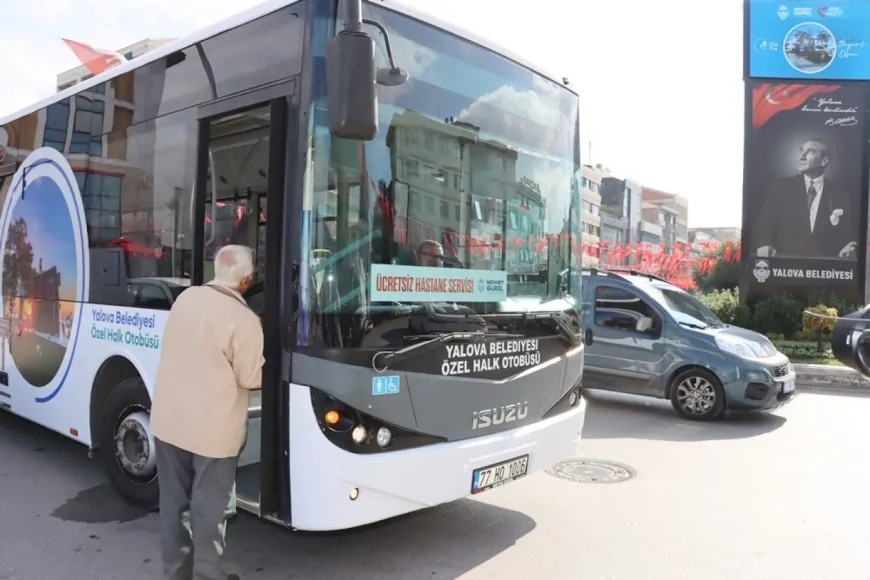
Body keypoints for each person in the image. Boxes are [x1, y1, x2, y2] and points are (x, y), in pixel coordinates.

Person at [151, 244, 265, 580]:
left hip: (170, 423)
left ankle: (176, 573)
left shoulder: (185, 299)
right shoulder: (245, 320)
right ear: (246, 279)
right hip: (212, 436)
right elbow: (251, 377)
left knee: (173, 506)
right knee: (209, 512)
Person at [754, 138, 857, 259]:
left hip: (825, 270)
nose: (802, 156)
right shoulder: (783, 187)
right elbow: (763, 224)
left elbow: (848, 234)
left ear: (824, 161)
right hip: (785, 268)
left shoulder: (840, 194)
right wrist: (764, 244)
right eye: (802, 151)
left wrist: (850, 247)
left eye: (810, 152)